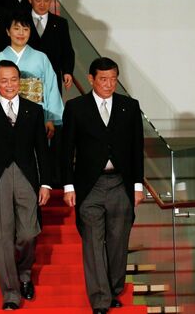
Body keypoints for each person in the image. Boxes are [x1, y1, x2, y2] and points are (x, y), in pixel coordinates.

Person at [62, 57, 144, 314]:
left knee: (118, 241)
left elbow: (136, 149)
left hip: (121, 183)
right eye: (103, 79)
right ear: (91, 79)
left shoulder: (129, 107)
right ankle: (100, 299)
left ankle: (113, 289)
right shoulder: (76, 107)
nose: (109, 84)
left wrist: (138, 185)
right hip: (90, 186)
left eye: (113, 79)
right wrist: (68, 186)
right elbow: (66, 150)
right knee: (93, 243)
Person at [0, 60, 51, 310]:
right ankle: (10, 293)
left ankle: (24, 273)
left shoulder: (33, 110)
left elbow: (42, 151)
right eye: (4, 80)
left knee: (28, 232)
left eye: (14, 79)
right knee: (2, 238)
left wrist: (45, 183)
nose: (10, 85)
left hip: (26, 176)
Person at [0, 11, 62, 140]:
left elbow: (51, 87)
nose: (21, 33)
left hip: (37, 115)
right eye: (16, 28)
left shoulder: (41, 58)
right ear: (8, 32)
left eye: (25, 29)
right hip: (5, 115)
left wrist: (50, 118)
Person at [27, 0, 75, 93]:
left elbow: (67, 50)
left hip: (52, 77)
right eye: (38, 0)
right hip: (26, 77)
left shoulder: (60, 23)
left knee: (52, 109)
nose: (42, 4)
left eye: (46, 0)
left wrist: (67, 71)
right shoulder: (21, 20)